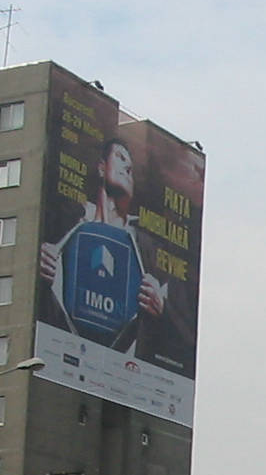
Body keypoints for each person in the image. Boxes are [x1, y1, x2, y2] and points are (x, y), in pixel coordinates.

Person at [38, 137, 170, 352]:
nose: (127, 167)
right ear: (101, 168)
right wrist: (35, 265)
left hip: (121, 370)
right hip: (56, 353)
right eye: (120, 158)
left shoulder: (148, 247)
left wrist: (161, 307)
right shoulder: (66, 218)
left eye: (131, 170)